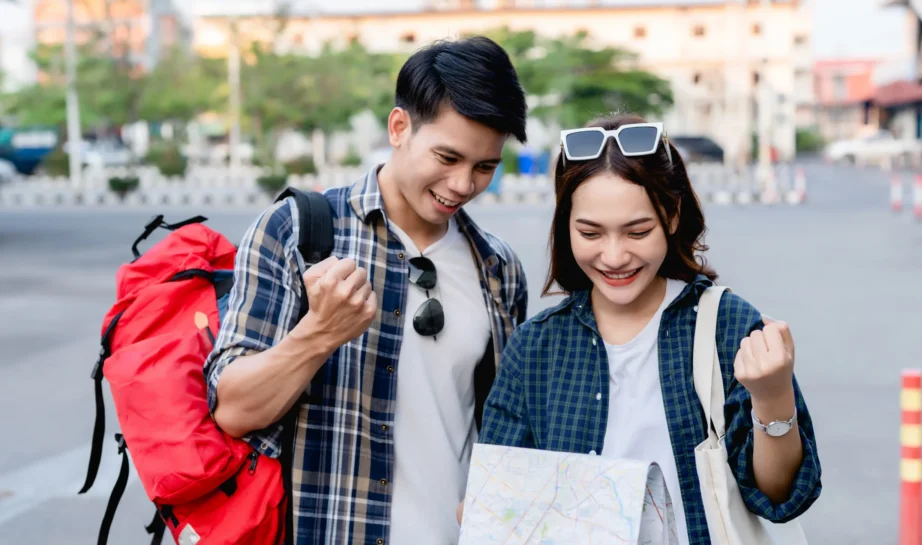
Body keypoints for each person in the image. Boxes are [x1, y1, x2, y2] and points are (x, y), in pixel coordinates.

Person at [204, 36, 529, 545]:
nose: (463, 184)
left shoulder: (498, 267)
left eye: (484, 166)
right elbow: (233, 411)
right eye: (447, 157)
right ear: (399, 128)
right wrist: (319, 334)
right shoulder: (297, 232)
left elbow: (504, 429)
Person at [473, 113, 822, 545]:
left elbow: (780, 495)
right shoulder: (535, 347)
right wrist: (484, 507)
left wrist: (772, 397)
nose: (614, 256)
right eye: (590, 232)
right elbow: (500, 501)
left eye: (637, 231)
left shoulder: (725, 324)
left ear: (672, 216)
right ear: (566, 226)